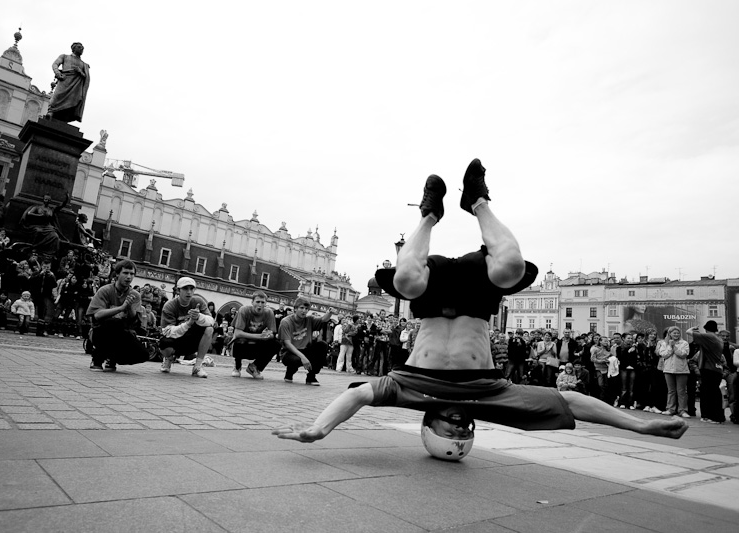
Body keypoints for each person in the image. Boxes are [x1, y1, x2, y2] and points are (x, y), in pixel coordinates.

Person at [273, 159, 687, 459]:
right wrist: (642, 425)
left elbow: (358, 397)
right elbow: (571, 402)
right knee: (509, 267)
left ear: (430, 425)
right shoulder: (491, 397)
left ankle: (429, 215)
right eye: (466, 429)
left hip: (432, 300)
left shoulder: (406, 390)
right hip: (474, 299)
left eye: (453, 428)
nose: (462, 423)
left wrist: (318, 429)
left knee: (404, 282)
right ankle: (479, 202)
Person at [86, 259, 149, 371]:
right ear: (117, 274)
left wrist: (129, 307)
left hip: (122, 333)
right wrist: (121, 308)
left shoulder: (135, 295)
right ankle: (97, 359)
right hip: (101, 332)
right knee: (113, 323)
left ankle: (112, 358)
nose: (129, 277)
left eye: (132, 274)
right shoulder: (105, 290)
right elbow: (97, 315)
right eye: (125, 273)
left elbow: (134, 320)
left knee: (143, 354)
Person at [158, 277, 214, 378]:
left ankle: (197, 367)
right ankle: (168, 358)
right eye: (185, 289)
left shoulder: (199, 301)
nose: (189, 292)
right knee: (164, 344)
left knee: (209, 329)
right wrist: (188, 323)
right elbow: (168, 332)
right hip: (175, 340)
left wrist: (199, 317)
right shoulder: (169, 306)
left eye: (191, 289)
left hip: (192, 340)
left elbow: (211, 321)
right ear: (178, 290)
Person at [278, 297, 334, 386]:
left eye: (306, 309)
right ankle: (290, 371)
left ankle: (311, 376)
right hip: (289, 352)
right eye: (301, 308)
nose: (304, 311)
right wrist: (303, 358)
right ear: (295, 309)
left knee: (322, 345)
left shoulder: (309, 319)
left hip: (305, 348)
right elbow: (287, 344)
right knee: (296, 360)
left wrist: (330, 312)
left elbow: (323, 319)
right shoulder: (286, 322)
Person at [230, 291, 278, 379]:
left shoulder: (269, 313)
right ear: (252, 302)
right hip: (242, 342)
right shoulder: (244, 310)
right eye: (257, 302)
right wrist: (260, 336)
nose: (260, 305)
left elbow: (272, 333)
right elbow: (238, 333)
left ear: (265, 304)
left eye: (262, 302)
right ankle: (237, 366)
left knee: (276, 343)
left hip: (257, 343)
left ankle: (255, 367)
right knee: (239, 340)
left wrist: (268, 335)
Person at [687, 321, 728, 423]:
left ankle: (714, 417)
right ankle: (715, 416)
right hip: (716, 369)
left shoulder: (709, 336)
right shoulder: (718, 339)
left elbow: (688, 332)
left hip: (709, 368)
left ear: (706, 328)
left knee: (710, 394)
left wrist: (694, 328)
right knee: (713, 393)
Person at [47, 42, 90, 123]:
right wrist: (57, 73)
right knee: (56, 97)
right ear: (73, 48)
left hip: (76, 87)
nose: (81, 49)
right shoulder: (64, 56)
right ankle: (51, 112)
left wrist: (80, 72)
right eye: (79, 47)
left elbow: (86, 78)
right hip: (64, 81)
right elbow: (55, 64)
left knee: (73, 102)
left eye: (82, 48)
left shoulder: (84, 64)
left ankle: (64, 119)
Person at [20, 193, 69, 261]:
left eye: (48, 200)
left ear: (50, 201)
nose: (47, 201)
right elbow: (29, 213)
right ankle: (33, 247)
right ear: (43, 200)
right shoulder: (37, 207)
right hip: (37, 225)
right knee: (38, 231)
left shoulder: (51, 210)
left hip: (47, 226)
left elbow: (60, 206)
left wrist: (66, 199)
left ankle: (50, 253)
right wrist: (39, 216)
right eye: (46, 199)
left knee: (55, 236)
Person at [659, 326, 690, 417]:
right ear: (670, 334)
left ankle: (683, 410)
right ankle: (670, 409)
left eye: (678, 333)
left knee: (681, 391)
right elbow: (664, 355)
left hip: (681, 370)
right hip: (668, 369)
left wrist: (674, 347)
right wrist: (670, 346)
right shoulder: (664, 343)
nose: (676, 335)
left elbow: (683, 354)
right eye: (674, 333)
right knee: (671, 390)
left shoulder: (684, 343)